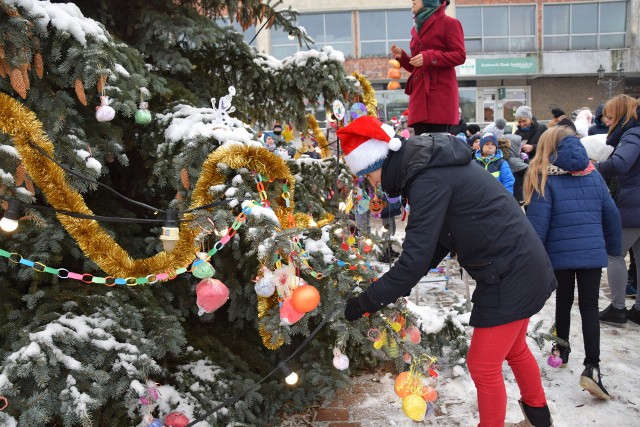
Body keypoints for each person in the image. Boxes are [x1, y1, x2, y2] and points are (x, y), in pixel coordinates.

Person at [337, 115, 556, 427]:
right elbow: (436, 242)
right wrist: (404, 273)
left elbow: (415, 259)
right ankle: (539, 418)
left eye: (365, 176)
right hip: (520, 264)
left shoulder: (426, 178)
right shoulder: (427, 168)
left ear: (376, 163)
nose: (369, 184)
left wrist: (366, 302)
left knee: (482, 366)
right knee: (516, 349)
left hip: (510, 272)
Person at [524, 126, 621, 400]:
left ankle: (560, 350)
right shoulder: (593, 173)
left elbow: (538, 225)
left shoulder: (546, 177)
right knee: (590, 306)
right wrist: (613, 249)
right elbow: (611, 214)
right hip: (591, 254)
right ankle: (593, 366)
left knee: (563, 302)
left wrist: (534, 258)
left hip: (559, 255)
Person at [594, 94, 640, 325]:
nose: (606, 121)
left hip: (634, 203)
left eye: (610, 116)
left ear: (622, 114)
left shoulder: (633, 133)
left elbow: (621, 163)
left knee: (615, 253)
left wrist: (595, 167)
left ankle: (618, 308)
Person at [390, 0, 465, 135]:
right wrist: (404, 58)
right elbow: (418, 68)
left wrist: (429, 57)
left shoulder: (449, 23)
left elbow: (460, 55)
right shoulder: (418, 26)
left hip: (439, 97)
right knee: (422, 149)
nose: (413, 1)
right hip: (419, 97)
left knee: (438, 148)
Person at [502, 134, 528, 204]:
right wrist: (526, 160)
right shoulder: (513, 160)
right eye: (519, 145)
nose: (521, 147)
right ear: (513, 146)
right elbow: (531, 171)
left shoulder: (508, 158)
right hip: (516, 194)